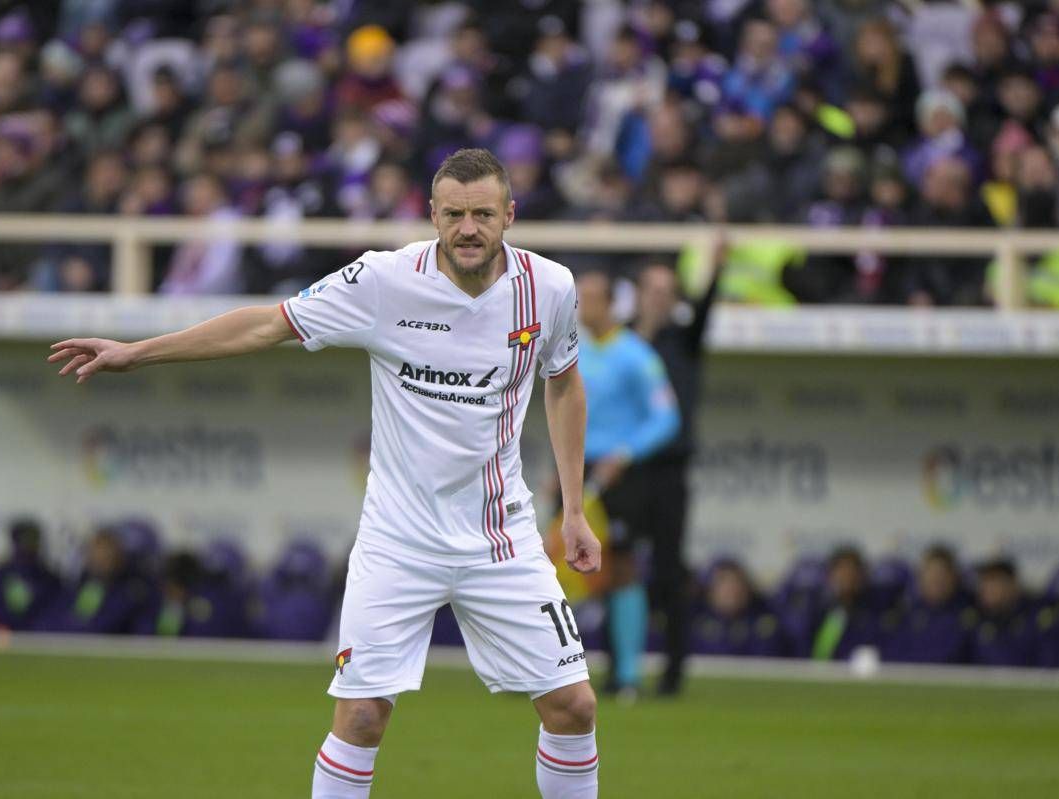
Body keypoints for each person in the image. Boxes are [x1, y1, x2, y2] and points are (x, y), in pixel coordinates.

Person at [50, 148, 602, 798]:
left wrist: (573, 509)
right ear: (432, 215)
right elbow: (266, 325)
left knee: (574, 706)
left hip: (500, 539)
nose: (468, 229)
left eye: (483, 214)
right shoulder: (383, 281)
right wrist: (137, 353)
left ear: (509, 214)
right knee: (362, 715)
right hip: (398, 541)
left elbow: (564, 383)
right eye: (454, 214)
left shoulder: (549, 288)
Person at [576, 269, 680, 702]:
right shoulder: (574, 349)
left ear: (609, 304)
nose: (581, 306)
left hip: (622, 473)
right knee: (565, 566)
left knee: (621, 568)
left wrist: (626, 453)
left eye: (590, 298)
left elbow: (666, 417)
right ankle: (552, 669)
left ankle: (628, 674)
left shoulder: (635, 355)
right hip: (580, 468)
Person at [631, 242, 723, 694]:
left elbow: (705, 311)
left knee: (669, 572)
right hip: (627, 469)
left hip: (669, 471)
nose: (660, 298)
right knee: (618, 573)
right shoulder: (623, 343)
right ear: (639, 294)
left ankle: (673, 672)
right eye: (653, 290)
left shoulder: (684, 340)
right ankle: (620, 668)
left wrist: (715, 267)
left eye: (668, 291)